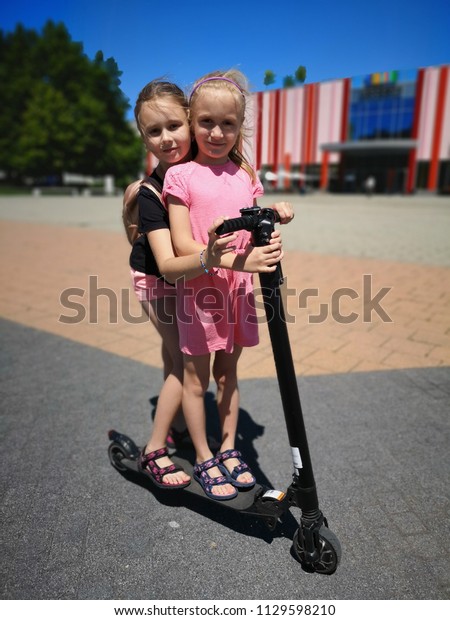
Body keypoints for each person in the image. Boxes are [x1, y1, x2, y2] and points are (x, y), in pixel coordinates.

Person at [126, 79, 290, 490]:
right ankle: (156, 449)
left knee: (188, 365)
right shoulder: (156, 188)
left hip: (210, 277)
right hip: (161, 279)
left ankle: (188, 432)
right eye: (154, 131)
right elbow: (169, 260)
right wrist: (225, 256)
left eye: (172, 126)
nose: (167, 138)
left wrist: (269, 223)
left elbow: (243, 217)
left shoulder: (228, 171)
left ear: (184, 120)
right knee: (182, 368)